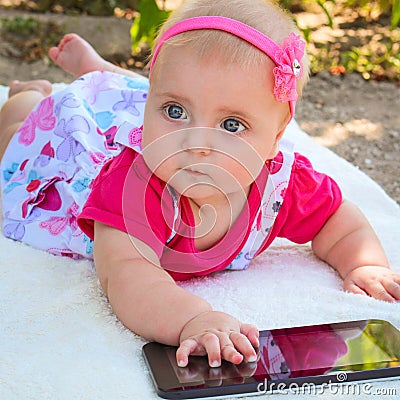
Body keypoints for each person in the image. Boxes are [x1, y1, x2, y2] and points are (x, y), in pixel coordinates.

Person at [0, 0, 399, 370]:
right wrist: (192, 317)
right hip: (74, 156)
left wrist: (364, 264)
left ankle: (104, 73)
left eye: (232, 125)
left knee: (173, 97)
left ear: (276, 138)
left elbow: (337, 219)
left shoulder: (282, 183)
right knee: (20, 137)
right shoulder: (133, 186)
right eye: (174, 111)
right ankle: (29, 94)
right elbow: (126, 273)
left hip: (150, 106)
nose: (197, 143)